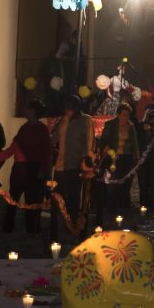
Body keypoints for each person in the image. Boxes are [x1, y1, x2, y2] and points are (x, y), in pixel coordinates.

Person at [0, 99, 51, 233]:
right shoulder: (25, 128)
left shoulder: (40, 129)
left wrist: (43, 170)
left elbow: (46, 152)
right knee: (14, 198)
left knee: (31, 200)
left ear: (34, 111)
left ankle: (30, 229)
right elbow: (12, 149)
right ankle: (11, 228)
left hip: (33, 169)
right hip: (21, 169)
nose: (25, 110)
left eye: (27, 108)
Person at [51, 96, 94, 235]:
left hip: (77, 165)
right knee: (58, 198)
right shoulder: (63, 121)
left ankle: (75, 228)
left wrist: (87, 159)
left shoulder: (86, 120)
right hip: (60, 166)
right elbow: (54, 139)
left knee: (75, 198)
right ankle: (60, 228)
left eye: (70, 106)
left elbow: (90, 141)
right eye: (66, 106)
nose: (67, 109)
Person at [100, 103, 139, 213]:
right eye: (123, 115)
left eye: (127, 115)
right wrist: (106, 149)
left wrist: (137, 158)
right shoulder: (110, 124)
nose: (125, 117)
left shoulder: (131, 126)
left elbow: (135, 143)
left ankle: (124, 205)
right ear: (118, 114)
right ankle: (112, 207)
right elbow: (104, 139)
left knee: (125, 182)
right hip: (113, 157)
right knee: (113, 182)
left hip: (126, 157)